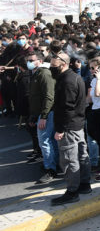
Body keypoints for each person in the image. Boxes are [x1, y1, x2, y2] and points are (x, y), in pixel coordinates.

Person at [50, 52, 91, 205]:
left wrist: (60, 130)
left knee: (69, 159)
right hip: (77, 124)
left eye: (54, 66)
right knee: (81, 155)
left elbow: (67, 108)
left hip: (69, 127)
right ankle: (85, 184)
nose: (51, 68)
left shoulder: (67, 81)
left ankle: (72, 191)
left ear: (64, 64)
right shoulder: (74, 77)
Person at [26, 50, 58, 184]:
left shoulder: (44, 73)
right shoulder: (35, 73)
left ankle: (50, 169)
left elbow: (49, 96)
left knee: (44, 141)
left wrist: (43, 116)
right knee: (49, 140)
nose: (29, 63)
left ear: (39, 60)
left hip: (47, 113)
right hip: (40, 113)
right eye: (28, 60)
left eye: (32, 60)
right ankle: (53, 164)